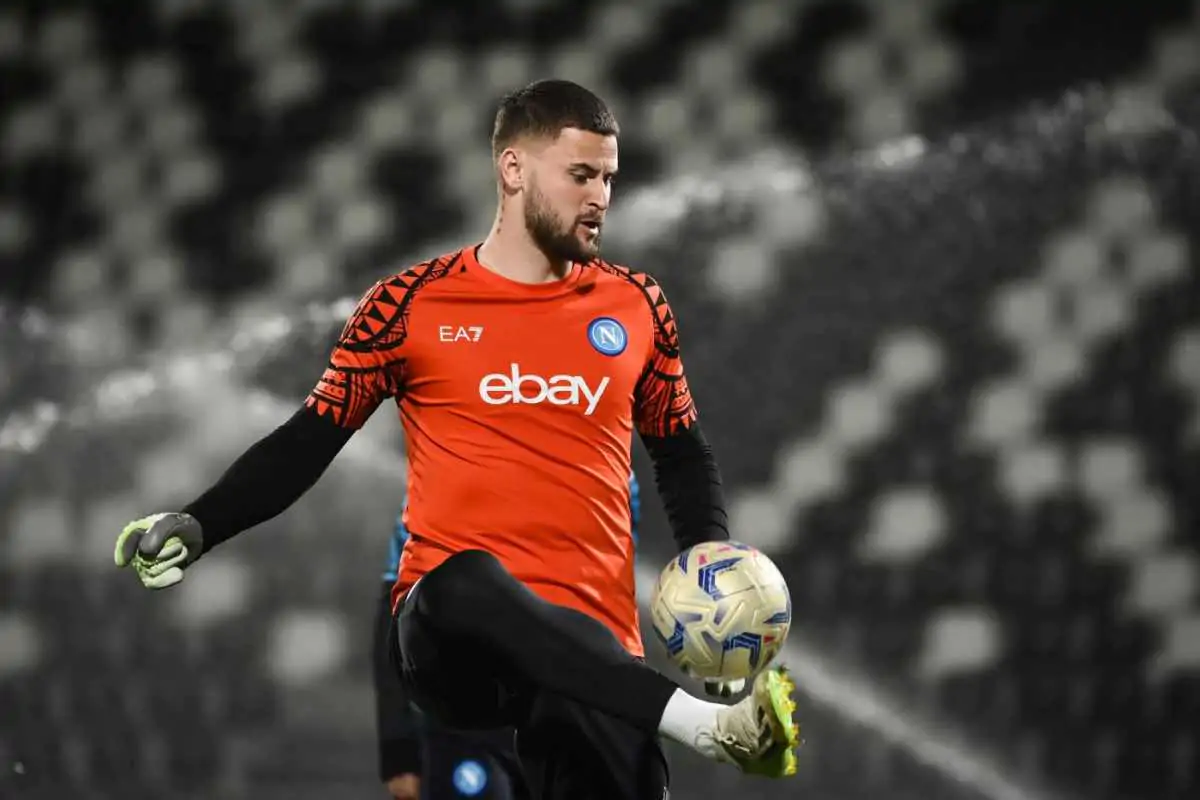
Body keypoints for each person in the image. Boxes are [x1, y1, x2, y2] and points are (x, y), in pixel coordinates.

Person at [115, 79, 800, 799]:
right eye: (580, 175)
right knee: (462, 581)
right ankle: (702, 725)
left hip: (593, 654)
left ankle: (671, 718)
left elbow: (680, 450)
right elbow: (307, 440)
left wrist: (709, 571)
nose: (599, 196)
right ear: (513, 169)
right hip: (451, 642)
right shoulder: (407, 303)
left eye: (608, 178)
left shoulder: (637, 304)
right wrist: (201, 522)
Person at [375, 474, 639, 799]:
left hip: (566, 723)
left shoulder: (616, 478)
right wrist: (398, 746)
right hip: (464, 723)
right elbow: (393, 614)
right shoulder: (439, 475)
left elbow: (612, 610)